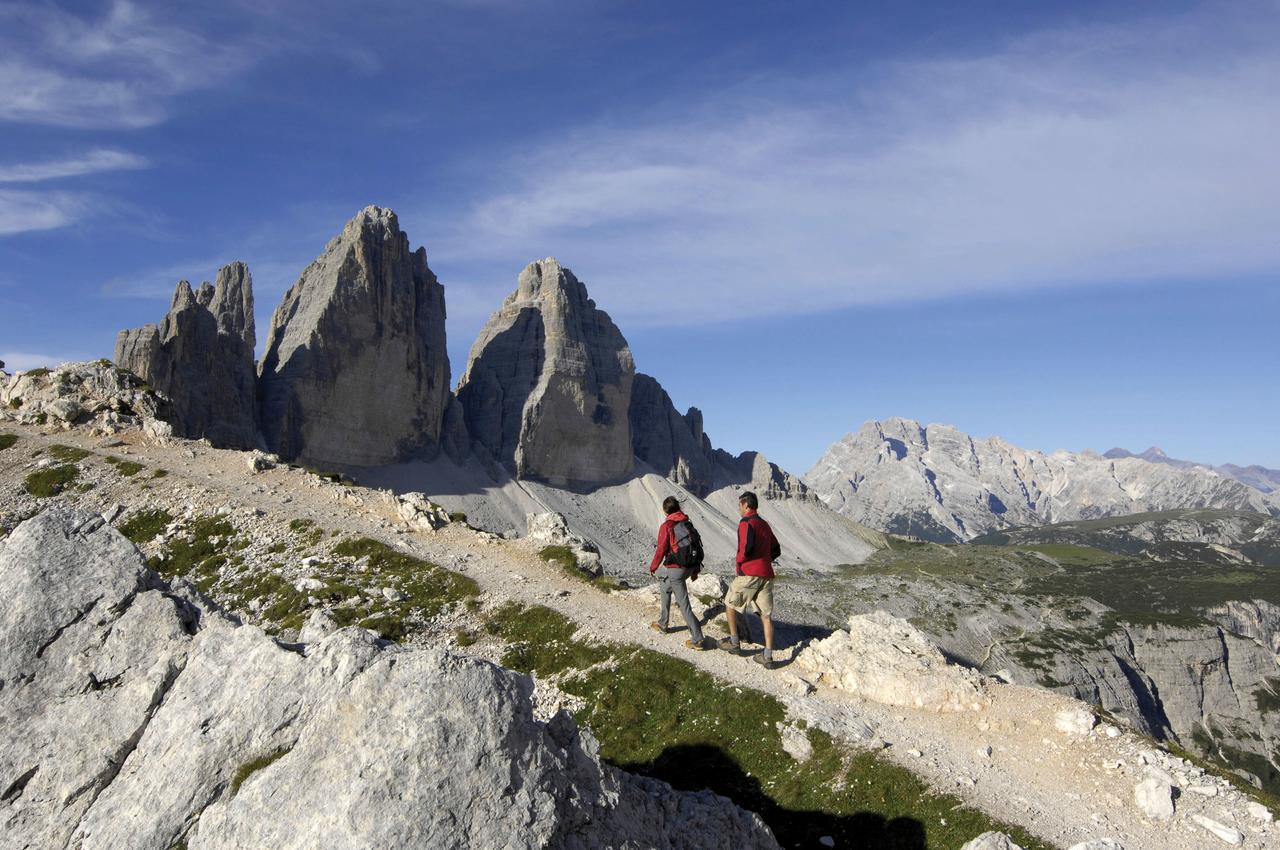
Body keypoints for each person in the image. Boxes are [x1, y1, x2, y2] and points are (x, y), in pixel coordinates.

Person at [719, 491, 780, 668]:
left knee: (729, 603)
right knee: (766, 616)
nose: (739, 508)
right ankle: (767, 656)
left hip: (749, 573)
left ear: (746, 505)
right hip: (766, 574)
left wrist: (739, 562)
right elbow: (776, 549)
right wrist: (765, 560)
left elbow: (745, 548)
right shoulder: (764, 524)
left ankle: (734, 642)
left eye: (740, 505)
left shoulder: (746, 523)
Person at [648, 496, 707, 651]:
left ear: (665, 510)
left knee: (684, 604)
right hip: (689, 567)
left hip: (677, 569)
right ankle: (663, 622)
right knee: (665, 586)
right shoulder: (686, 522)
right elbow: (695, 545)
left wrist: (653, 566)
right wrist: (695, 570)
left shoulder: (667, 525)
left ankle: (698, 639)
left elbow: (661, 549)